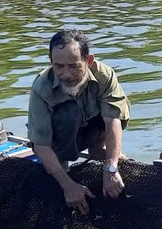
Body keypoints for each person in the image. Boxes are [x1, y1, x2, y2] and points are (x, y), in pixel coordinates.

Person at [27, 30, 130, 215]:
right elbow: (41, 145)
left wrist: (111, 167)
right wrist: (68, 186)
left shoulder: (104, 75)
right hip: (57, 140)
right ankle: (62, 163)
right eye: (59, 66)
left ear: (88, 61)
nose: (66, 74)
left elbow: (112, 120)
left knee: (117, 109)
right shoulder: (41, 87)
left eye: (73, 66)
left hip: (91, 129)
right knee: (67, 111)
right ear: (50, 61)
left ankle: (98, 150)